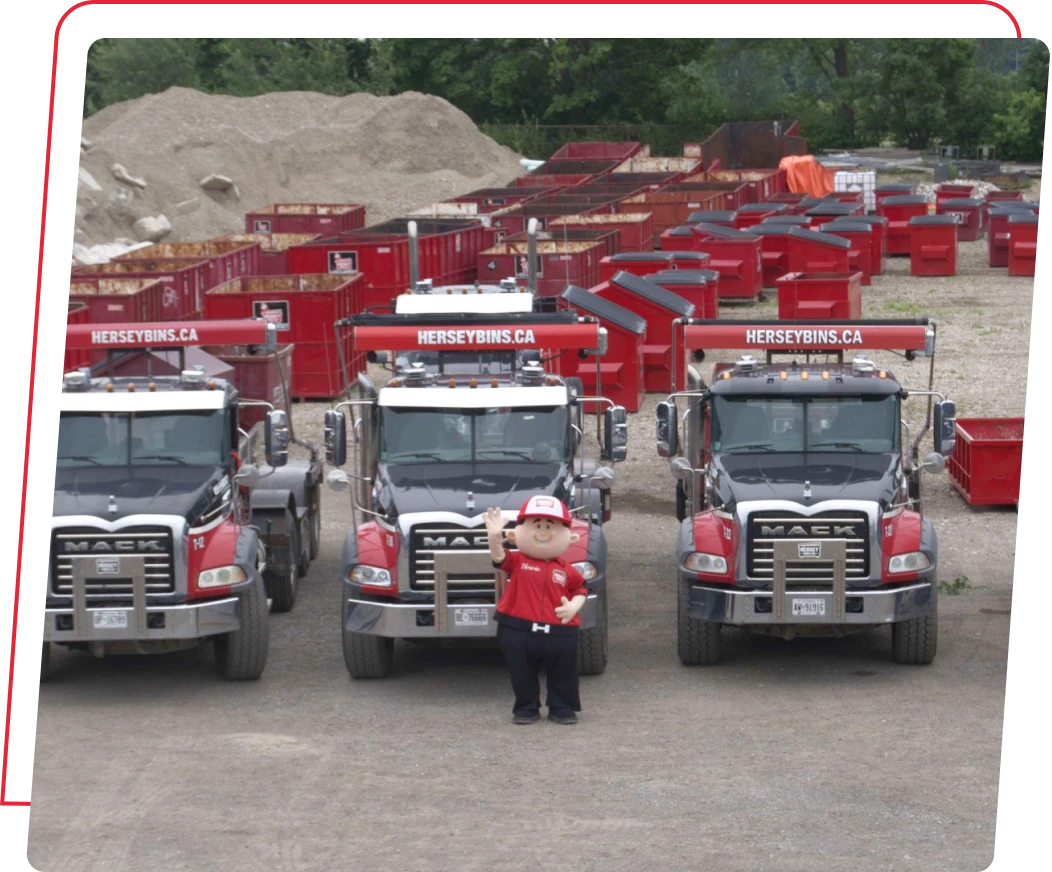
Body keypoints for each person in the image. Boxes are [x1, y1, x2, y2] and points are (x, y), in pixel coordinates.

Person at [484, 496, 588, 725]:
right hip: (517, 628)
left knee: (564, 672)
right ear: (515, 534)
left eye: (550, 526)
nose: (543, 531)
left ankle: (562, 707)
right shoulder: (518, 560)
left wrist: (573, 606)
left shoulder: (567, 570)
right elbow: (499, 558)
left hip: (560, 631)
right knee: (521, 673)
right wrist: (493, 537)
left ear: (570, 537)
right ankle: (526, 707)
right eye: (536, 524)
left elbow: (581, 589)